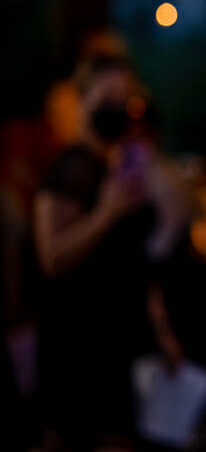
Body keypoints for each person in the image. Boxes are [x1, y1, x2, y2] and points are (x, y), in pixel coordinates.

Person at [33, 56, 187, 452]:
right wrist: (107, 213)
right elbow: (52, 256)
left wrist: (160, 328)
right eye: (108, 97)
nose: (118, 107)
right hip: (79, 343)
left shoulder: (119, 165)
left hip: (119, 337)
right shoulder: (71, 167)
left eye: (126, 97)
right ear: (84, 100)